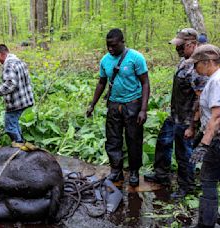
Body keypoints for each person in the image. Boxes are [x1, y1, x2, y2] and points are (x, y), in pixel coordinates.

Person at [144, 28, 207, 198]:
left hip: (187, 119)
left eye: (181, 46)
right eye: (177, 45)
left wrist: (192, 125)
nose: (177, 49)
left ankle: (186, 186)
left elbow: (200, 99)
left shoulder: (198, 67)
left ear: (193, 44)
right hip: (175, 115)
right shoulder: (185, 61)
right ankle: (161, 175)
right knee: (163, 143)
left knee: (184, 153)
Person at [86, 28, 150, 187]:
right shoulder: (105, 60)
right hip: (114, 104)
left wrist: (143, 109)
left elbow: (145, 82)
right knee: (113, 139)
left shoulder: (136, 58)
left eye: (113, 45)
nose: (110, 49)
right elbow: (102, 82)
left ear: (122, 42)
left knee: (133, 140)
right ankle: (116, 169)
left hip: (133, 104)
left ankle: (134, 171)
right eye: (108, 45)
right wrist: (92, 104)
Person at [188, 44, 220, 228]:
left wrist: (204, 144)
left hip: (216, 141)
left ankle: (206, 224)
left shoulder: (216, 81)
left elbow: (217, 116)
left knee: (208, 182)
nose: (195, 69)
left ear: (208, 62)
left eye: (197, 64)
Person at [0, 44, 34, 147]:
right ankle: (22, 144)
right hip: (25, 100)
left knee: (10, 127)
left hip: (16, 103)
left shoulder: (8, 64)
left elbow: (10, 85)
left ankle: (18, 148)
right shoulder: (19, 62)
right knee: (15, 124)